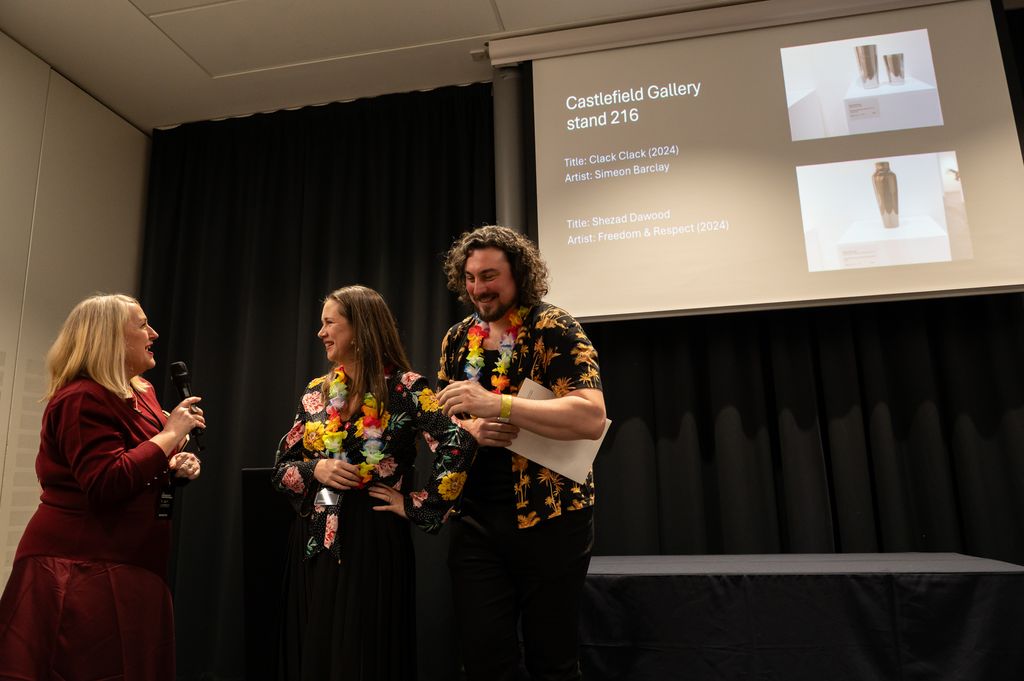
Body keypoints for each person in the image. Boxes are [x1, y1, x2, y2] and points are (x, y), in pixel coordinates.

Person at [271, 284, 477, 681]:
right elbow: (282, 468)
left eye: (330, 323)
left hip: (373, 533)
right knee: (319, 651)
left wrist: (418, 504)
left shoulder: (406, 388)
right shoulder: (316, 393)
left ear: (360, 328)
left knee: (364, 652)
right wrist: (317, 470)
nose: (320, 332)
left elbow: (459, 442)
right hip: (317, 534)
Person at [0, 293, 204, 681]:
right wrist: (170, 435)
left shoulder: (141, 392)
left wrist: (174, 465)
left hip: (133, 561)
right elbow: (105, 481)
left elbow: (139, 460)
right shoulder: (82, 397)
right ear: (111, 338)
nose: (154, 333)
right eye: (142, 325)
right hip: (80, 569)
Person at [436, 225, 606, 681]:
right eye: (470, 278)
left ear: (519, 274)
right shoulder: (458, 339)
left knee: (552, 660)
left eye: (489, 276)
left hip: (550, 517)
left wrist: (501, 405)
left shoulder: (554, 327)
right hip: (475, 518)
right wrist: (469, 429)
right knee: (483, 659)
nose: (478, 289)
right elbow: (442, 423)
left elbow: (591, 416)